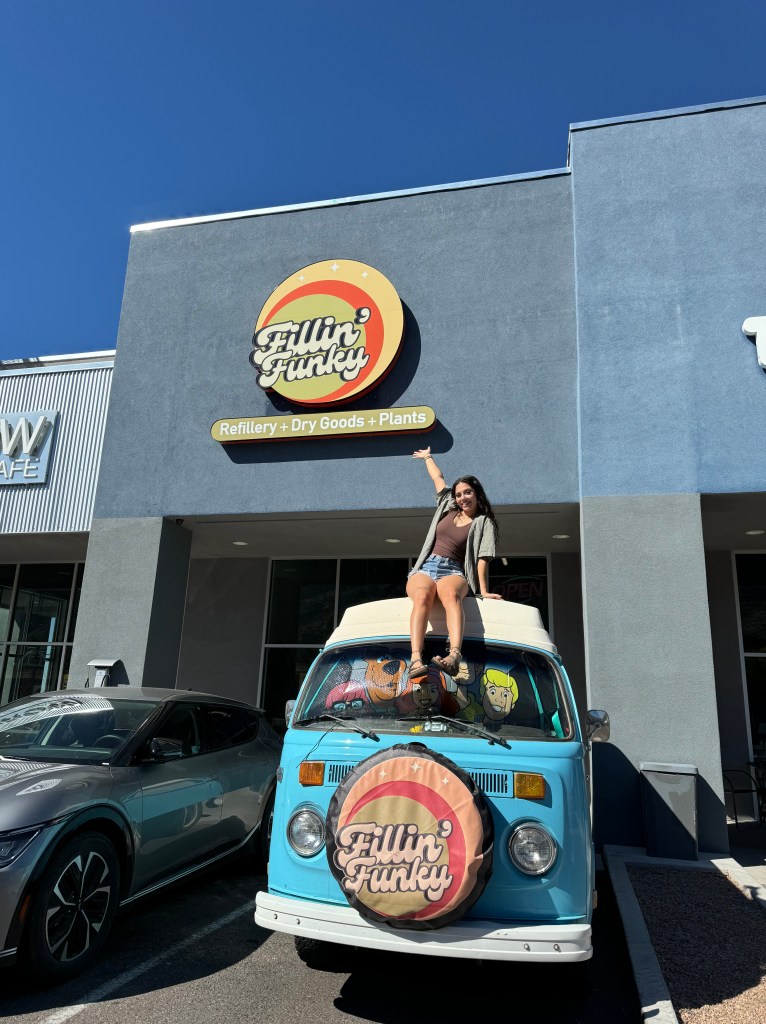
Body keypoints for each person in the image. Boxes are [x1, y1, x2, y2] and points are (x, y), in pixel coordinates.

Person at [406, 447, 501, 680]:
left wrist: (483, 590)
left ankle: (455, 656)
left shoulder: (483, 522)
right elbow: (438, 478)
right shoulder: (447, 506)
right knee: (422, 595)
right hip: (427, 566)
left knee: (451, 596)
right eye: (459, 494)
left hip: (454, 570)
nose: (462, 498)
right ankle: (416, 658)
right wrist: (428, 457)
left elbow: (482, 558)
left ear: (477, 494)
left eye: (467, 493)